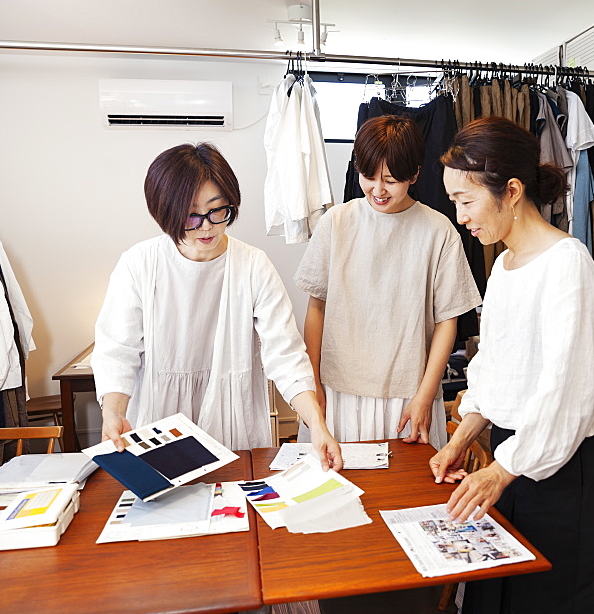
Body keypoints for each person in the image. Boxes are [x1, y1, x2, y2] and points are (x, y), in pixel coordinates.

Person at [430, 117, 594, 614]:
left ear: (512, 191)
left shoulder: (568, 264)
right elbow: (494, 369)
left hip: (567, 470)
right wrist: (462, 436)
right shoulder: (503, 267)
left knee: (558, 605)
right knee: (501, 603)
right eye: (455, 202)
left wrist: (502, 469)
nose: (461, 217)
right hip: (516, 461)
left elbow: (567, 394)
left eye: (466, 201)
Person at [92, 142, 342, 470]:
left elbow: (285, 355)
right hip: (159, 419)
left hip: (232, 418)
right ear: (164, 212)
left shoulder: (253, 265)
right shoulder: (139, 264)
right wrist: (113, 414)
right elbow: (117, 353)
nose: (207, 226)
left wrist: (317, 424)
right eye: (191, 215)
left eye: (217, 210)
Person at [295, 115, 481, 449]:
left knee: (406, 494)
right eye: (368, 177)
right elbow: (316, 308)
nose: (378, 190)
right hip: (338, 389)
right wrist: (313, 384)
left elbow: (447, 322)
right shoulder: (336, 222)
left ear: (414, 175)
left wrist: (425, 396)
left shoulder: (438, 231)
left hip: (408, 393)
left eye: (391, 180)